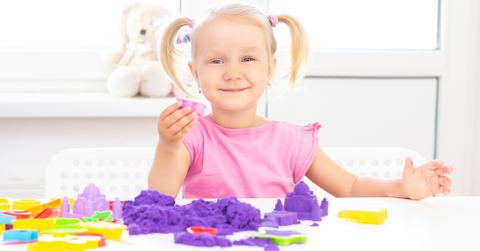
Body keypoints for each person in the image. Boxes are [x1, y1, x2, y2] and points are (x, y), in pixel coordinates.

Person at [148, 3, 452, 199]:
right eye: (216, 61)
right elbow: (159, 200)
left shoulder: (291, 141)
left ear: (270, 68)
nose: (232, 73)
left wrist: (401, 188)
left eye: (248, 58)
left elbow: (350, 187)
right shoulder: (191, 136)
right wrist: (168, 145)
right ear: (194, 72)